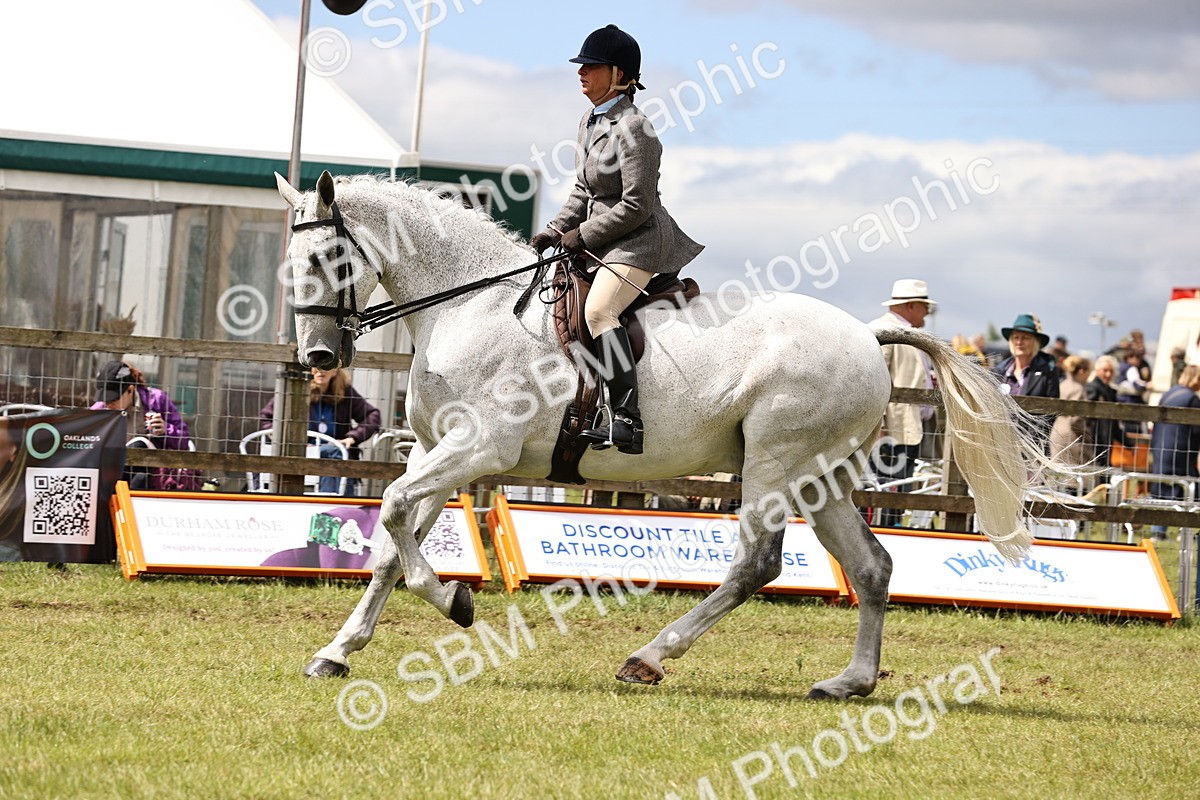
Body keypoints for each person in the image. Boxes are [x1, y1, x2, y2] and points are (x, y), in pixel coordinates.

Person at [528, 24, 703, 456]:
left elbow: (636, 205)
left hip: (640, 240)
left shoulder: (635, 128)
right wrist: (554, 228)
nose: (582, 73)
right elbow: (585, 190)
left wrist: (581, 234)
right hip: (603, 239)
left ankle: (627, 418)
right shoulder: (590, 122)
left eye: (591, 66)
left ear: (619, 74)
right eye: (582, 66)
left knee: (600, 310)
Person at [868, 279, 937, 528]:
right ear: (911, 306)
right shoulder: (885, 330)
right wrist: (879, 425)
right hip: (892, 430)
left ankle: (888, 529)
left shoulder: (898, 330)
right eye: (923, 305)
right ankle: (885, 532)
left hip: (904, 429)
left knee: (894, 488)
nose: (927, 311)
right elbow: (874, 380)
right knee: (887, 488)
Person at [260, 367, 381, 495]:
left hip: (335, 451)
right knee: (335, 453)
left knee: (336, 452)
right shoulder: (296, 387)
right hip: (302, 451)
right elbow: (265, 419)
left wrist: (353, 437)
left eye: (327, 366)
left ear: (335, 370)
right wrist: (291, 441)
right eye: (316, 366)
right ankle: (334, 503)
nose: (320, 370)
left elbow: (372, 415)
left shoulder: (346, 392)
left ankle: (331, 503)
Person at [90, 360, 195, 490]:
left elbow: (184, 442)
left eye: (113, 399)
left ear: (130, 390)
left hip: (153, 473)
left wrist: (165, 430)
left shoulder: (156, 400)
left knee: (139, 448)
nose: (108, 404)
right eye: (104, 399)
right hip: (111, 470)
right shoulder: (99, 410)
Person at [992, 314, 1060, 451]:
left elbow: (1051, 412)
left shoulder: (1048, 370)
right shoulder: (1000, 370)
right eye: (1016, 337)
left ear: (1035, 342)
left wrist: (1030, 442)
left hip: (1032, 447)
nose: (1019, 342)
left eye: (1025, 338)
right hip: (999, 445)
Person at [1149, 365, 1200, 503]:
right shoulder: (1192, 399)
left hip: (1160, 450)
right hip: (1180, 454)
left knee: (1164, 498)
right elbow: (1196, 431)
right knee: (1189, 494)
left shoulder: (1168, 393)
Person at [1050, 355, 1092, 471]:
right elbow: (1076, 419)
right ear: (1082, 371)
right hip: (1071, 436)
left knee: (1058, 474)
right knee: (1073, 477)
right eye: (1088, 372)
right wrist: (1087, 435)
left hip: (1056, 432)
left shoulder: (1062, 385)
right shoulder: (1078, 389)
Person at [1085, 355, 1124, 468]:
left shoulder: (1110, 392)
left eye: (1111, 371)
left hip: (1106, 440)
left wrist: (1127, 442)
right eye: (1105, 370)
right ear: (1097, 371)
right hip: (1094, 438)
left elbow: (1114, 423)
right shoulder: (1092, 388)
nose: (1108, 374)